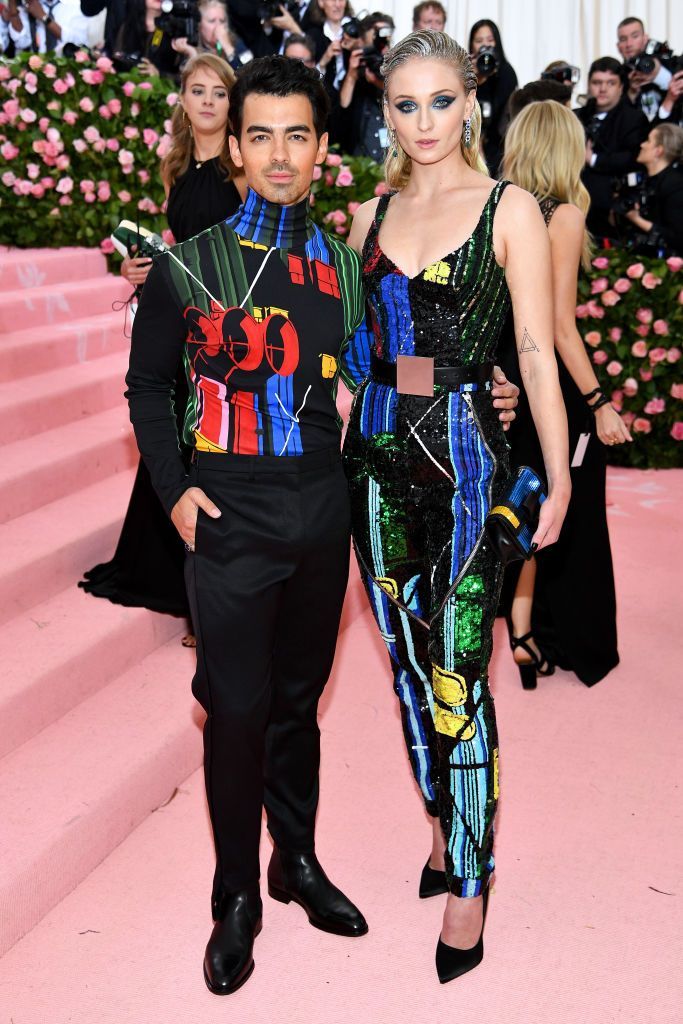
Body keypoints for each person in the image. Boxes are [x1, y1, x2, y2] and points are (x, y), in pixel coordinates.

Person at [125, 53, 521, 995]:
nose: (277, 154)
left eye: (295, 135)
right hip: (226, 513)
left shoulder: (345, 268)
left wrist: (475, 386)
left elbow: (385, 371)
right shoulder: (188, 264)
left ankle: (293, 862)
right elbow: (146, 384)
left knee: (299, 704)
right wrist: (175, 491)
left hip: (321, 509)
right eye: (259, 135)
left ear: (319, 148)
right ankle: (235, 896)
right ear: (236, 146)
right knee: (235, 711)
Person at [344, 31, 570, 982]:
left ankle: (470, 884)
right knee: (405, 665)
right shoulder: (367, 216)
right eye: (406, 105)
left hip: (472, 467)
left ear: (471, 102)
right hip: (373, 467)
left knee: (456, 670)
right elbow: (360, 358)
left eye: (441, 100)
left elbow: (533, 349)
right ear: (385, 114)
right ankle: (444, 826)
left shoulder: (509, 208)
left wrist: (555, 471)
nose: (425, 121)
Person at [80, 54, 243, 637]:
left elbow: (246, 249)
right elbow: (179, 243)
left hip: (224, 325)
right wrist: (141, 268)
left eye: (218, 92)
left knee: (211, 444)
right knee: (173, 435)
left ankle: (209, 593)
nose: (207, 101)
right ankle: (172, 576)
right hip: (177, 317)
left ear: (232, 101)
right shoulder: (174, 165)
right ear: (183, 99)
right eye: (197, 90)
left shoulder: (241, 167)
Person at [498, 99, 630, 690]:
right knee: (564, 507)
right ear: (564, 149)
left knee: (524, 500)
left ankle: (522, 626)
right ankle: (543, 633)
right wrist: (599, 402)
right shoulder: (565, 215)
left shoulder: (500, 205)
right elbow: (557, 325)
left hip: (504, 378)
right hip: (546, 381)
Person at [574, 57, 648, 243]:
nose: (603, 89)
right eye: (597, 82)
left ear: (621, 87)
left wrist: (593, 159)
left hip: (610, 211)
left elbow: (633, 158)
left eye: (610, 83)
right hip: (574, 205)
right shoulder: (576, 116)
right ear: (589, 85)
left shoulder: (634, 118)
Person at [338, 11, 394, 160]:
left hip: (391, 158)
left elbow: (401, 98)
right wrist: (352, 74)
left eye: (385, 33)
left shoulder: (399, 65)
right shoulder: (358, 63)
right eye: (376, 32)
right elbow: (343, 106)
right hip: (360, 156)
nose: (381, 37)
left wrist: (378, 81)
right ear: (363, 38)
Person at [467, 19, 517, 176]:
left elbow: (503, 120)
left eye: (490, 40)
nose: (485, 45)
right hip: (470, 146)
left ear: (497, 43)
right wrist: (473, 79)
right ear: (472, 46)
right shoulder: (467, 73)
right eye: (479, 41)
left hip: (499, 151)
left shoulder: (506, 73)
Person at [625, 123, 683, 255]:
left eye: (648, 140)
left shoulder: (676, 185)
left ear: (658, 151)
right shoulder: (643, 180)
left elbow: (677, 237)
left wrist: (637, 219)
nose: (642, 145)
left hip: (665, 261)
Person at [616, 15, 673, 122]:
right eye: (623, 39)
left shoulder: (667, 63)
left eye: (635, 36)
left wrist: (657, 74)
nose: (629, 44)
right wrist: (632, 92)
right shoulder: (616, 76)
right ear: (618, 46)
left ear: (645, 39)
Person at [171, 0, 252, 72]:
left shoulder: (235, 42)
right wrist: (193, 55)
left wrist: (227, 47)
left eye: (222, 21)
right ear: (199, 24)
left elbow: (248, 75)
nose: (218, 26)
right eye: (212, 21)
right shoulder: (190, 45)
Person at [8, 0, 88, 53]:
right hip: (36, 70)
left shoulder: (77, 5)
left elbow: (79, 42)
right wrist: (12, 8)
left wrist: (44, 17)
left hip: (67, 69)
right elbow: (22, 42)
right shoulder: (30, 4)